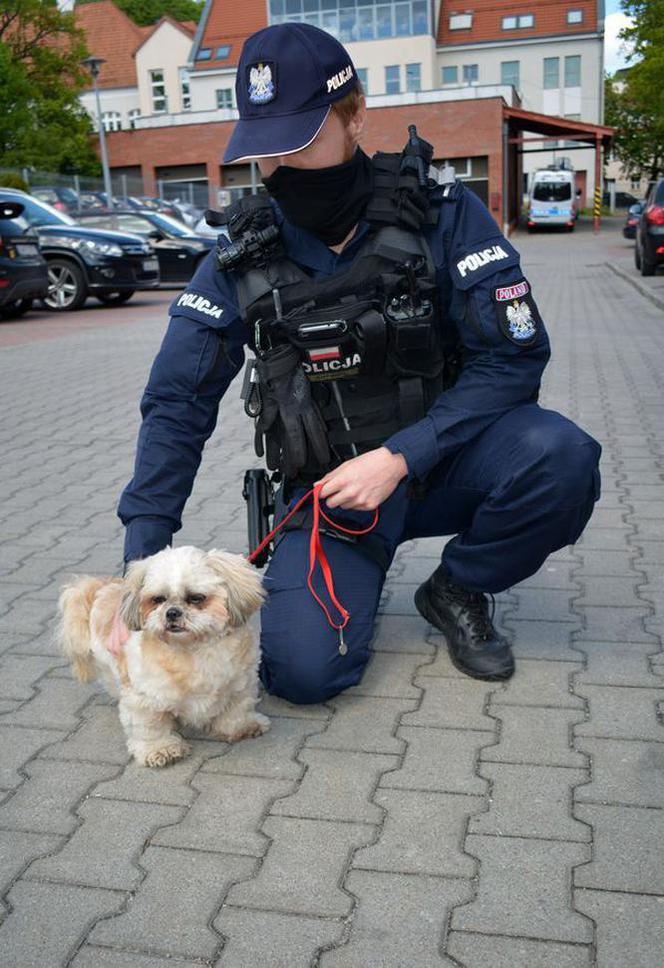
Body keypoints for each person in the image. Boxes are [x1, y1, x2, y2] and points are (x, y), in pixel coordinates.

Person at [115, 23, 601, 703]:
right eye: (268, 149)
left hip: (447, 464)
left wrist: (401, 456)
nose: (282, 167)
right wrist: (139, 561)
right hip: (333, 493)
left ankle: (459, 585)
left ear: (356, 115)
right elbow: (178, 400)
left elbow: (514, 361)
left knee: (561, 457)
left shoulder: (444, 215)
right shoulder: (242, 254)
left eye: (303, 140)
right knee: (301, 674)